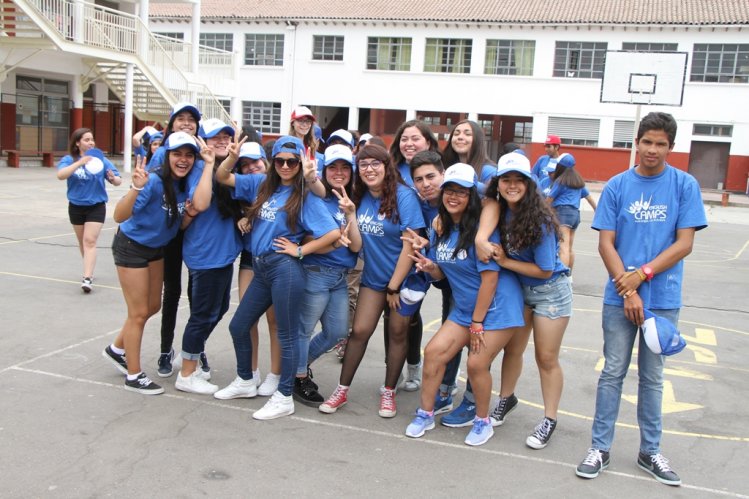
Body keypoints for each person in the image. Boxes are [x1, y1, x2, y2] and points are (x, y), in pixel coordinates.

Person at [575, 112, 707, 486]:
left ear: (671, 146)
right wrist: (629, 288)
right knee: (612, 372)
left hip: (663, 299)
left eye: (660, 143)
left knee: (653, 377)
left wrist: (643, 274)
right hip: (619, 298)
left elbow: (685, 243)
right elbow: (605, 242)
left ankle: (650, 451)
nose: (652, 149)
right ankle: (599, 448)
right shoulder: (618, 186)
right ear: (636, 142)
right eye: (646, 141)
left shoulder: (684, 185)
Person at [215, 135, 341, 419]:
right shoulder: (263, 185)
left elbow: (333, 233)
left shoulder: (304, 196)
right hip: (260, 268)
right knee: (239, 325)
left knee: (286, 334)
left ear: (299, 164)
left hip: (284, 269)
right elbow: (223, 177)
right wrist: (232, 158)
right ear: (273, 162)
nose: (285, 166)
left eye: (292, 161)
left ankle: (284, 395)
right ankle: (246, 380)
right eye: (280, 160)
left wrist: (300, 250)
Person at [405, 163, 524, 446]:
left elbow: (491, 280)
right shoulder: (440, 227)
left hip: (496, 310)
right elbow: (444, 272)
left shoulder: (484, 232)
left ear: (472, 196)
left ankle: (482, 421)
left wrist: (477, 323)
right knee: (433, 353)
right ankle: (425, 413)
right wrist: (430, 266)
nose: (454, 196)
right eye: (449, 191)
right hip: (465, 310)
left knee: (476, 363)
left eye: (461, 191)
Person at [102, 132, 213, 394]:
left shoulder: (183, 186)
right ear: (167, 156)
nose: (183, 160)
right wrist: (136, 187)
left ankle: (116, 349)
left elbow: (177, 223)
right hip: (132, 248)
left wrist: (189, 215)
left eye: (188, 155)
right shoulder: (152, 182)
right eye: (177, 154)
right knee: (138, 312)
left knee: (152, 306)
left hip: (156, 249)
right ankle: (134, 375)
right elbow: (119, 215)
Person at [319, 143, 425, 418]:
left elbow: (410, 246)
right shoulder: (360, 196)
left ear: (387, 166)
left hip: (404, 281)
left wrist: (395, 287)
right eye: (363, 165)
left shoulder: (404, 197)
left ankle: (389, 391)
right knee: (360, 331)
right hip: (375, 279)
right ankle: (342, 389)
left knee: (398, 334)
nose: (369, 169)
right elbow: (355, 245)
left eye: (375, 163)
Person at [477, 151, 573, 450]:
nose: (513, 185)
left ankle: (549, 419)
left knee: (546, 358)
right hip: (521, 290)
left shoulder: (540, 221)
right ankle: (507, 398)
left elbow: (545, 270)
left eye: (520, 180)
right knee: (512, 350)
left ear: (530, 184)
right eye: (507, 179)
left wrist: (505, 262)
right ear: (498, 183)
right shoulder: (497, 206)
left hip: (550, 292)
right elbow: (469, 189)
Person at [174, 120, 243, 395]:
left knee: (220, 308)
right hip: (206, 255)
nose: (223, 141)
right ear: (202, 141)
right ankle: (187, 373)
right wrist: (208, 163)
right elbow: (200, 203)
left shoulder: (228, 167)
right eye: (216, 137)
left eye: (226, 136)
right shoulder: (201, 169)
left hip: (222, 254)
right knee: (202, 315)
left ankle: (189, 351)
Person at [294, 144, 362, 406]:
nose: (339, 172)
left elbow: (355, 246)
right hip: (316, 272)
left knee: (337, 332)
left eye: (345, 167)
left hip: (340, 277)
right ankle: (297, 377)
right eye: (333, 167)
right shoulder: (315, 196)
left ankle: (298, 365)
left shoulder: (348, 200)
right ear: (324, 170)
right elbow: (309, 233)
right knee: (304, 329)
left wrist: (351, 214)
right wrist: (311, 176)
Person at [149, 102, 203, 378]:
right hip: (170, 235)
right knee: (171, 293)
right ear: (171, 124)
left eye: (191, 119)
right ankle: (165, 349)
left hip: (195, 232)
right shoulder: (162, 154)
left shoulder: (202, 155)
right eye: (180, 118)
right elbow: (147, 189)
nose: (186, 122)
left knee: (197, 295)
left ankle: (196, 349)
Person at [387, 120, 440, 391]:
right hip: (394, 252)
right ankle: (392, 373)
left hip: (424, 255)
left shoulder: (434, 171)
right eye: (404, 138)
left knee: (411, 316)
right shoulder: (392, 170)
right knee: (394, 316)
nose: (408, 143)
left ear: (428, 142)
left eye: (415, 138)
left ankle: (414, 367)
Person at [232, 142, 281, 396]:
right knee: (247, 318)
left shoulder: (282, 184)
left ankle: (275, 374)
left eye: (256, 162)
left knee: (275, 321)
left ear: (266, 160)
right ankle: (250, 373)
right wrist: (243, 216)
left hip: (277, 260)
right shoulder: (245, 187)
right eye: (245, 165)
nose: (252, 168)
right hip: (251, 258)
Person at [56, 128, 122, 292]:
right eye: (86, 140)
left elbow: (118, 180)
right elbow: (61, 175)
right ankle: (89, 269)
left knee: (89, 241)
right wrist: (79, 162)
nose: (91, 142)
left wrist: (114, 179)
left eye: (92, 139)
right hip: (76, 206)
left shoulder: (101, 160)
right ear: (77, 143)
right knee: (82, 242)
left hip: (96, 206)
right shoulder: (68, 159)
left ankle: (87, 278)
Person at [540, 153, 597, 269]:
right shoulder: (578, 181)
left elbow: (549, 199)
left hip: (563, 214)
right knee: (569, 247)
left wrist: (540, 211)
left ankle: (563, 276)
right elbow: (589, 198)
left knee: (563, 247)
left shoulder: (560, 181)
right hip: (575, 215)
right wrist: (598, 212)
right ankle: (569, 276)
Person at [441, 119, 496, 189]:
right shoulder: (444, 167)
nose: (460, 137)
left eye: (468, 134)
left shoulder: (489, 171)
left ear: (478, 140)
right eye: (456, 134)